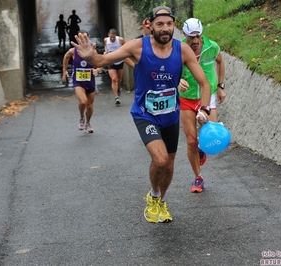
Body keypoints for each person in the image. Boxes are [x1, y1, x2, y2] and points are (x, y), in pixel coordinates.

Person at [71, 6, 211, 223]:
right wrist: (91, 56)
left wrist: (204, 109)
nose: (165, 29)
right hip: (145, 114)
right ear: (150, 25)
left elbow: (204, 82)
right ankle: (153, 196)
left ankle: (160, 201)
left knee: (170, 164)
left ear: (174, 26)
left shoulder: (182, 50)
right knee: (161, 159)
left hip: (171, 115)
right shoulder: (137, 47)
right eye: (160, 24)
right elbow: (101, 61)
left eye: (169, 24)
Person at [179, 18, 226, 193]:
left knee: (210, 135)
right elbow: (171, 70)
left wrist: (221, 86)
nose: (195, 41)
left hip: (209, 97)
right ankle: (198, 178)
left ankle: (202, 148)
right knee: (190, 141)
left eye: (198, 36)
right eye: (191, 37)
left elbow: (220, 62)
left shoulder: (212, 47)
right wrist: (179, 80)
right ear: (184, 35)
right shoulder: (178, 50)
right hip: (187, 98)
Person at [62, 30, 102, 134]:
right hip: (78, 81)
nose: (83, 39)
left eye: (85, 37)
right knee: (83, 101)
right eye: (81, 37)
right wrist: (64, 71)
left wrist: (97, 70)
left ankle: (88, 123)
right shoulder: (73, 51)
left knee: (89, 105)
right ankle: (81, 117)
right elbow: (66, 56)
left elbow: (100, 64)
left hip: (90, 81)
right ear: (78, 39)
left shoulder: (93, 51)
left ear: (88, 39)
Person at [104, 28, 126, 105]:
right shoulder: (106, 40)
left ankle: (118, 88)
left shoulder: (120, 40)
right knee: (114, 79)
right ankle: (116, 97)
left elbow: (126, 47)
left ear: (115, 35)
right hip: (111, 61)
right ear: (108, 35)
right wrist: (106, 51)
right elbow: (106, 46)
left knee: (119, 79)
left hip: (120, 61)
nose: (112, 39)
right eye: (111, 37)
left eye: (113, 37)